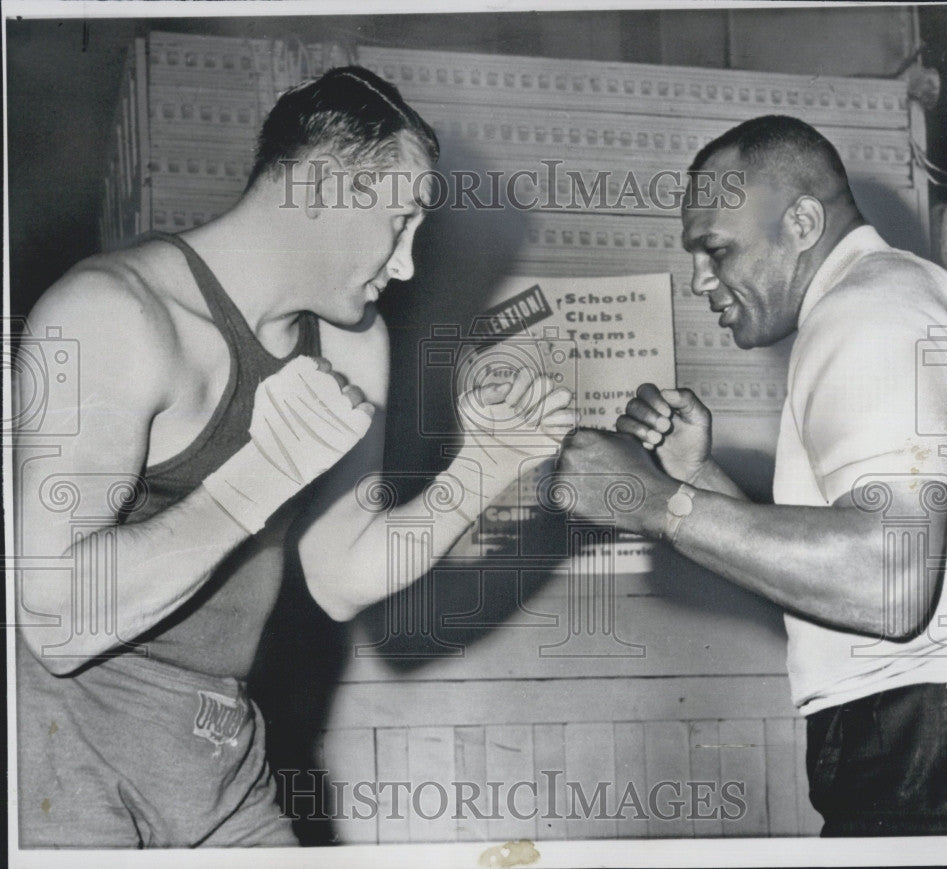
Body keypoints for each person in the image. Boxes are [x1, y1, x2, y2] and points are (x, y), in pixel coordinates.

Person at [13, 66, 574, 848]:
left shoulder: (352, 340)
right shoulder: (114, 315)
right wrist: (258, 476)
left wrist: (481, 468)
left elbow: (341, 575)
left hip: (217, 742)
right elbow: (53, 623)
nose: (407, 262)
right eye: (400, 220)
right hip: (69, 739)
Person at [557, 115, 947, 836]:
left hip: (922, 729)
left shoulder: (867, 313)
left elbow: (888, 579)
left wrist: (652, 500)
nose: (700, 280)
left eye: (715, 250)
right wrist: (694, 478)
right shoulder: (895, 296)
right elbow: (842, 570)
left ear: (799, 221)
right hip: (932, 720)